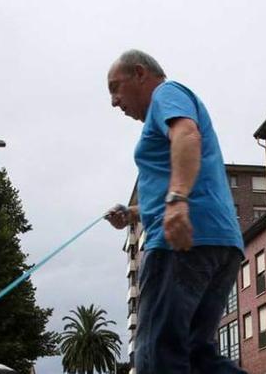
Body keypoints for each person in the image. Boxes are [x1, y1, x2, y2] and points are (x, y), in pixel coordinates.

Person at [104, 49, 245, 374]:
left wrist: (177, 199)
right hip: (219, 242)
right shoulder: (167, 103)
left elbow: (186, 134)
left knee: (156, 355)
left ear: (140, 73)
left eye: (115, 88)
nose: (114, 101)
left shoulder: (166, 94)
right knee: (195, 355)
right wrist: (132, 213)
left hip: (182, 244)